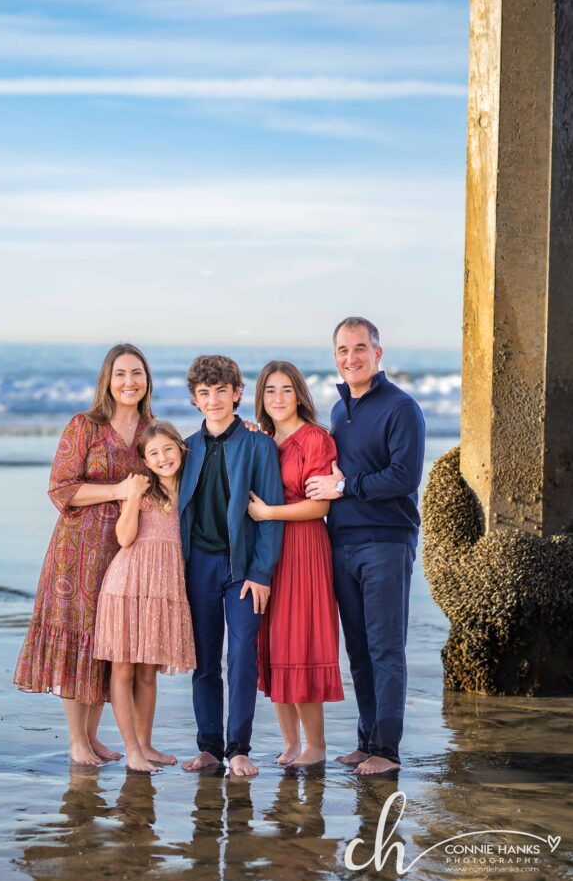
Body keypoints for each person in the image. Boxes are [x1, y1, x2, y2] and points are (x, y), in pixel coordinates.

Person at [14, 343, 154, 766]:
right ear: (107, 382)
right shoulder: (85, 426)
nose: (129, 382)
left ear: (147, 380)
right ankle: (77, 741)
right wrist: (118, 490)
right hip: (77, 550)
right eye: (121, 374)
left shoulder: (153, 430)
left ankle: (94, 738)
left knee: (105, 644)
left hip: (126, 549)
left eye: (137, 374)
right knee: (78, 641)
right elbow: (60, 488)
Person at [305, 318, 425, 776]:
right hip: (343, 543)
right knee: (357, 649)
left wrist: (346, 487)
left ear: (378, 353)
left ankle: (387, 752)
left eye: (359, 348)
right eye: (342, 350)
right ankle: (366, 740)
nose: (350, 357)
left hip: (386, 543)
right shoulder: (339, 413)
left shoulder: (401, 408)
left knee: (385, 649)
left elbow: (404, 477)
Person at [179, 355, 284, 778]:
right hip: (199, 564)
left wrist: (261, 572)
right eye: (204, 393)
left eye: (221, 390)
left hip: (241, 568)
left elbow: (270, 512)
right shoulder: (188, 448)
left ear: (238, 394)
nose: (213, 400)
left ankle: (238, 747)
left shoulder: (259, 445)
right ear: (194, 399)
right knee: (204, 658)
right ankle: (208, 747)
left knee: (242, 655)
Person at [248, 361, 343, 766]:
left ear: (299, 394)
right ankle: (290, 744)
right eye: (270, 391)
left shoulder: (316, 440)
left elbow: (319, 505)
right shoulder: (260, 439)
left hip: (304, 548)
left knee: (300, 643)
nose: (278, 398)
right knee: (271, 644)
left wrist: (270, 514)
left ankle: (316, 747)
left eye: (286, 389)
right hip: (269, 551)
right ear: (260, 398)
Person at [94, 421, 196, 774]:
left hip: (163, 587)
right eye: (153, 453)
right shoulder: (142, 491)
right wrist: (134, 495)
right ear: (145, 461)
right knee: (122, 669)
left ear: (180, 449)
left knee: (148, 673)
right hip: (128, 583)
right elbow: (124, 538)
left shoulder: (191, 487)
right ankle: (132, 749)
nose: (163, 457)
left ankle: (147, 742)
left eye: (168, 449)